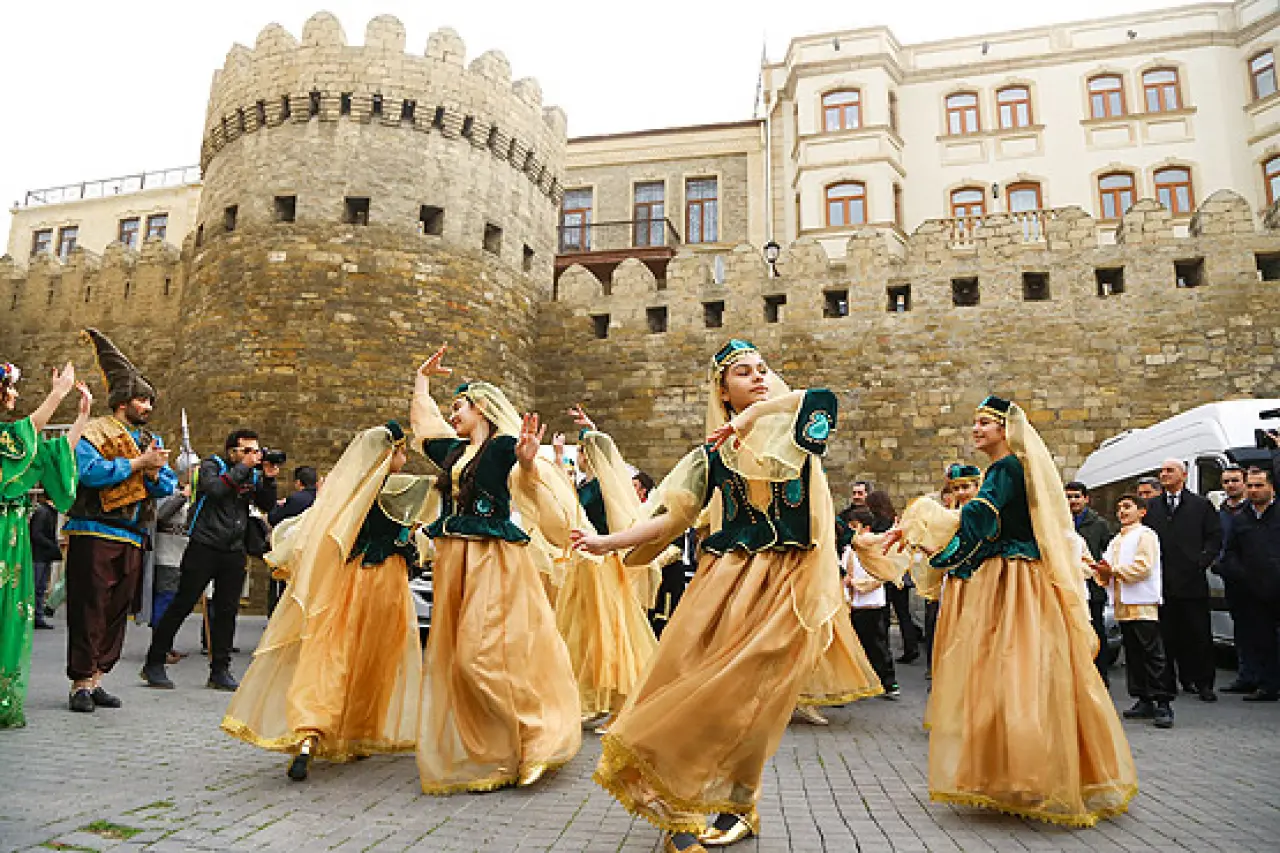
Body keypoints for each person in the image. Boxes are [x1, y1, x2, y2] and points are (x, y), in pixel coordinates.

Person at [573, 339, 843, 852]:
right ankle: (696, 805)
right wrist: (608, 542)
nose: (758, 376)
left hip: (785, 584)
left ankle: (735, 803)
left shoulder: (798, 432)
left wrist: (757, 413)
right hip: (725, 583)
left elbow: (824, 398)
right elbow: (671, 518)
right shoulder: (711, 455)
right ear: (722, 390)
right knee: (700, 690)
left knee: (744, 700)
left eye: (762, 368)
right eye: (743, 373)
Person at [882, 395, 1136, 827]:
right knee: (1024, 673)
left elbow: (980, 523)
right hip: (1016, 576)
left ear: (1005, 429)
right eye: (975, 423)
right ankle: (1027, 774)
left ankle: (1028, 775)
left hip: (1011, 578)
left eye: (985, 423)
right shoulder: (1013, 468)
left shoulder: (1005, 469)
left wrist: (921, 524)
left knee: (1012, 672)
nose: (976, 429)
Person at [411, 347, 581, 794]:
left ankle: (536, 737)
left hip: (492, 559)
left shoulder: (505, 446)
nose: (452, 415)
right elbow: (424, 427)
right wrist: (422, 380)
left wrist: (526, 462)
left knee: (479, 655)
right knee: (459, 659)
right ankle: (498, 749)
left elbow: (528, 483)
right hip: (455, 561)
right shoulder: (453, 451)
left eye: (459, 406)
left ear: (481, 407)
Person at [222, 422, 431, 780]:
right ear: (389, 453)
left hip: (347, 580)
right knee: (371, 657)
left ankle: (311, 731)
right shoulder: (401, 491)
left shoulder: (345, 492)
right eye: (400, 451)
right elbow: (407, 541)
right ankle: (356, 731)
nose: (405, 458)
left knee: (332, 652)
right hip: (387, 583)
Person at [63, 329, 177, 713]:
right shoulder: (93, 432)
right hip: (94, 531)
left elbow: (166, 485)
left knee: (116, 612)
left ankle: (97, 679)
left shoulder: (148, 439)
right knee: (89, 608)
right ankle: (80, 682)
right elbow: (88, 473)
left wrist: (153, 472)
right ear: (123, 402)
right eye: (142, 400)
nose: (148, 407)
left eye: (150, 401)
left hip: (132, 536)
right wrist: (138, 464)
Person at [141, 429, 278, 691]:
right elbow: (216, 490)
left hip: (234, 549)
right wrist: (244, 468)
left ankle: (220, 670)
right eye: (246, 451)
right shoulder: (210, 466)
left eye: (255, 451)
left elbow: (267, 505)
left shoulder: (251, 474)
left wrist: (269, 479)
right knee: (182, 603)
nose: (253, 456)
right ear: (232, 451)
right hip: (204, 545)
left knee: (227, 611)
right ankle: (154, 662)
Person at [552, 406, 659, 731]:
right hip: (583, 563)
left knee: (610, 632)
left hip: (601, 564)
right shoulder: (588, 484)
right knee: (583, 633)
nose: (579, 456)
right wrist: (559, 456)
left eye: (582, 451)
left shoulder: (604, 486)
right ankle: (588, 698)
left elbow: (612, 506)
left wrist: (592, 431)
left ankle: (623, 705)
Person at [0, 361, 89, 728]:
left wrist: (81, 418)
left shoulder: (14, 439)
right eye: (10, 387)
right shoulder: (9, 437)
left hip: (12, 536)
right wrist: (57, 393)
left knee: (10, 612)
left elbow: (55, 453)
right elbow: (29, 430)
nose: (14, 394)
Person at [1144, 458, 1221, 702]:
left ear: (1184, 475)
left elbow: (1214, 536)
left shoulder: (1200, 505)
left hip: (1192, 583)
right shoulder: (1152, 507)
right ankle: (1166, 684)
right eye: (1162, 470)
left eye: (1170, 470)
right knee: (1166, 637)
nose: (1164, 474)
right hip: (1162, 584)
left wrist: (1202, 560)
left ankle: (1204, 683)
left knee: (1199, 636)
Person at [1096, 495, 1174, 728]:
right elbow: (1105, 567)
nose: (1122, 511)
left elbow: (1143, 567)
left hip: (1142, 602)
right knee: (1133, 654)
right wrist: (1098, 570)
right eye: (1119, 508)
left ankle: (1163, 701)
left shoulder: (1146, 535)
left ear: (1142, 511)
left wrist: (1113, 571)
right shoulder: (1116, 540)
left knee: (1152, 653)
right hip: (1123, 603)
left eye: (1127, 507)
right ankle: (1143, 698)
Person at [1219, 467, 1280, 701]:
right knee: (1261, 639)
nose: (1254, 490)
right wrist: (1243, 575)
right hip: (1253, 591)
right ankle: (1267, 685)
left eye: (1259, 485)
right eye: (1251, 486)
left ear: (1271, 487)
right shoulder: (1241, 518)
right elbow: (1230, 552)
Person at [844, 509, 898, 698]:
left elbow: (879, 577)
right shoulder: (849, 550)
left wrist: (856, 583)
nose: (852, 531)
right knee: (854, 646)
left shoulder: (875, 549)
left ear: (866, 528)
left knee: (877, 645)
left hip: (872, 604)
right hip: (853, 604)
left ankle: (888, 682)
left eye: (855, 526)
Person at [1066, 481, 1115, 685]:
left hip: (1093, 587)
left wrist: (1101, 571)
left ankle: (1100, 676)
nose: (1073, 501)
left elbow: (1109, 551)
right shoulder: (1059, 523)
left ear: (1086, 499)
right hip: (1069, 587)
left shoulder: (1099, 524)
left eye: (1076, 496)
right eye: (1068, 497)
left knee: (1096, 631)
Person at [1214, 466, 1257, 693]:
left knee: (1263, 629)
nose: (1230, 485)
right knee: (1241, 630)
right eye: (1226, 481)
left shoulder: (1253, 510)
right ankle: (1246, 675)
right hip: (1232, 579)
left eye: (1235, 480)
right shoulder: (1220, 513)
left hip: (1257, 579)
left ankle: (1264, 678)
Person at [870, 489, 920, 664]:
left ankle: (884, 652)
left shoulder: (875, 524)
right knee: (903, 612)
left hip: (886, 571)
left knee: (884, 615)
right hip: (901, 570)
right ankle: (911, 647)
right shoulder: (895, 519)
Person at [266, 465, 319, 615]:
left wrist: (279, 506)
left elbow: (273, 518)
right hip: (314, 549)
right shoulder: (322, 499)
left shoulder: (295, 499)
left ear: (298, 483)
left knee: (283, 587)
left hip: (291, 550)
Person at [29, 489, 61, 630]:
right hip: (39, 555)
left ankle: (38, 616)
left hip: (42, 555)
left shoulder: (46, 511)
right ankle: (35, 616)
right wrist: (51, 546)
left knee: (40, 587)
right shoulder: (43, 512)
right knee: (37, 586)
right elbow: (36, 534)